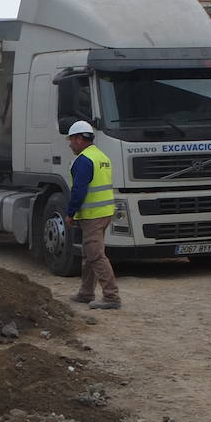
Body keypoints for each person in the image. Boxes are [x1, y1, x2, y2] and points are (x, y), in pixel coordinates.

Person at [64, 120, 120, 309]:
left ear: (79, 139)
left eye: (71, 140)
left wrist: (70, 213)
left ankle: (111, 296)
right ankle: (86, 292)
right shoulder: (101, 156)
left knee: (95, 254)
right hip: (105, 212)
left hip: (93, 214)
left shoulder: (84, 160)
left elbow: (79, 190)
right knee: (89, 253)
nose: (70, 144)